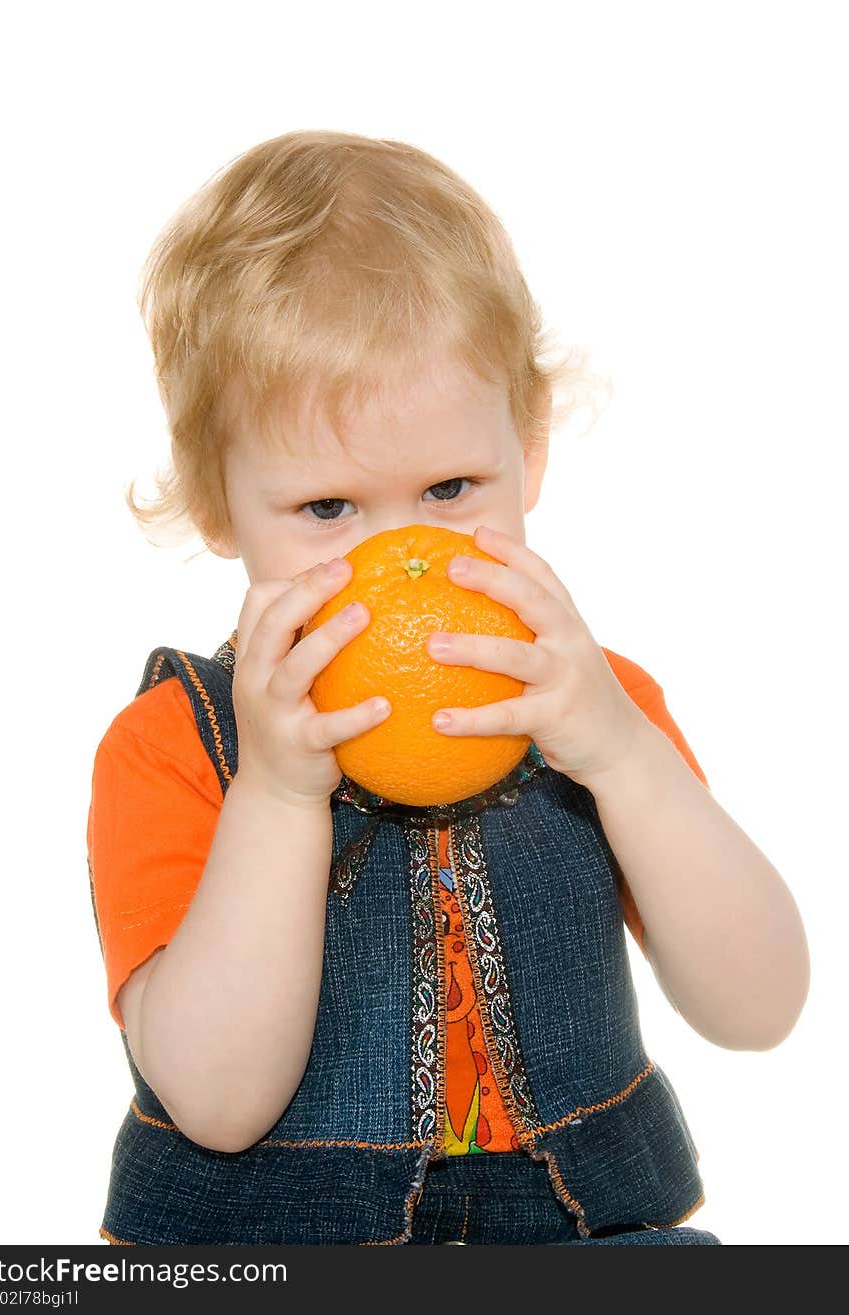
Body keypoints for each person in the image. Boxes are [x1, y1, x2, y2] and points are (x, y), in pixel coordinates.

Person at [86, 129, 809, 1246]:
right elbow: (218, 1105)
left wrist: (621, 759)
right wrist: (276, 796)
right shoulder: (175, 743)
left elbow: (759, 1006)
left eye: (450, 486)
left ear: (528, 451)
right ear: (218, 504)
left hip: (576, 1235)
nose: (402, 554)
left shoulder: (596, 706)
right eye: (328, 508)